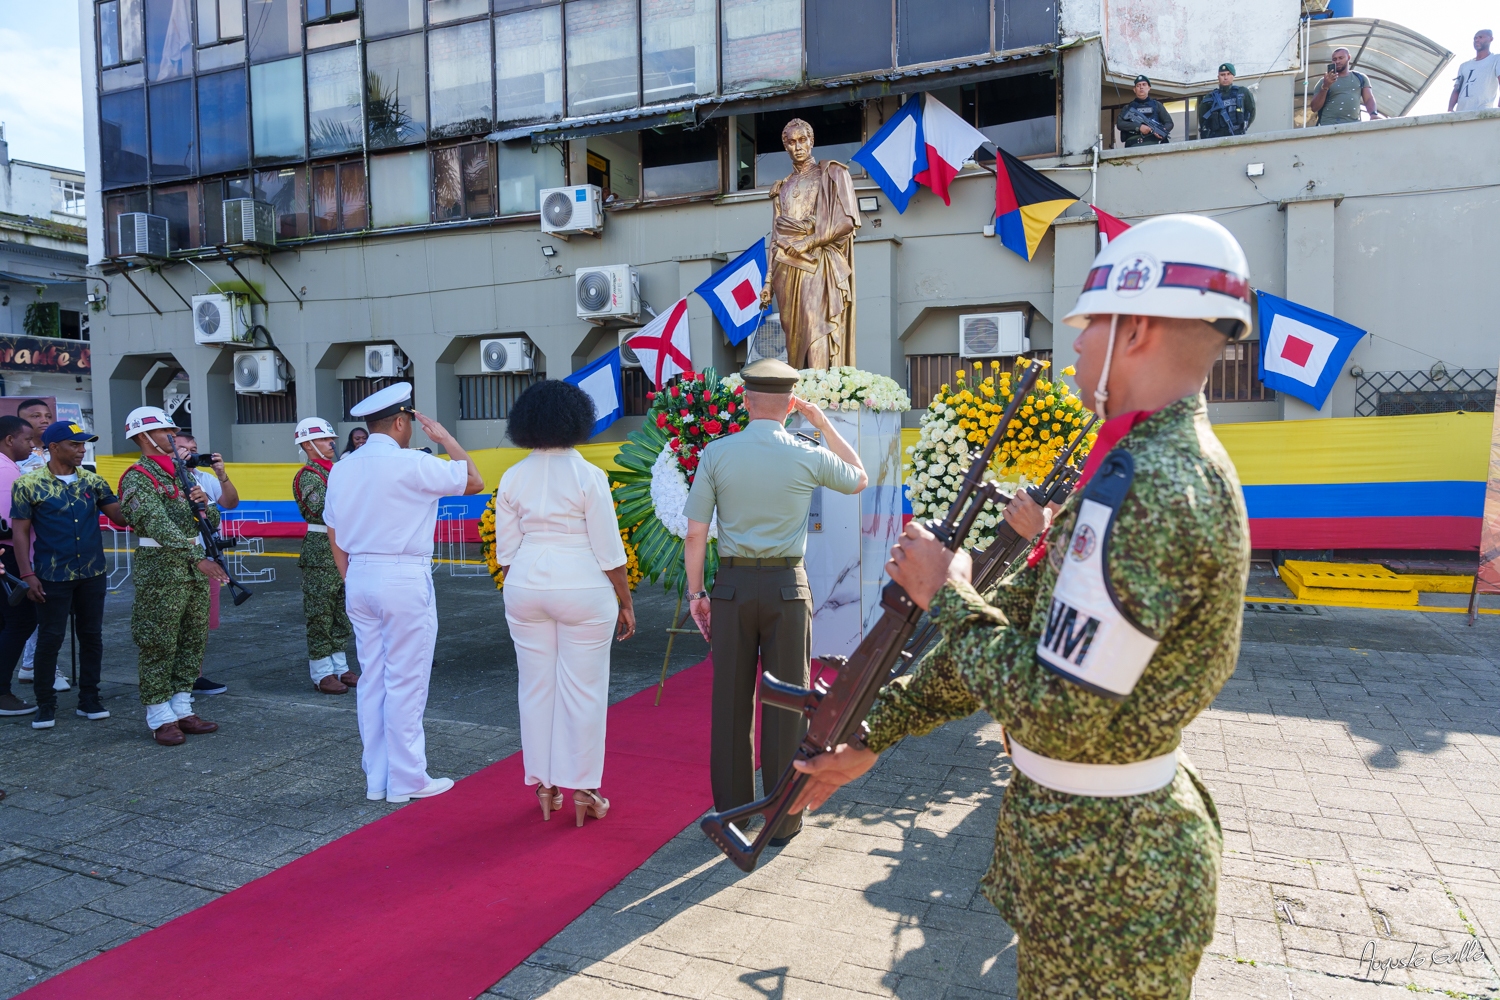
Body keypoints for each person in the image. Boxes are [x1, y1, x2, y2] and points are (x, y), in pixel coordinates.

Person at [791, 214, 1253, 999]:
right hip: (1088, 859)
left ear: (1135, 328)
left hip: (1117, 880)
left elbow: (1057, 707)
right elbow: (1018, 624)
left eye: (1089, 326)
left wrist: (946, 591)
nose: (1074, 345)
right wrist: (882, 727)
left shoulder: (1158, 490)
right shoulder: (1130, 467)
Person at [682, 358, 867, 845]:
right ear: (791, 406)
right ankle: (784, 818)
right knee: (787, 703)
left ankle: (734, 814)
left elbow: (696, 534)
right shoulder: (805, 451)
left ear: (745, 400)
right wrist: (823, 424)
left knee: (730, 702)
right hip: (788, 588)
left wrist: (697, 593)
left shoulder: (717, 454)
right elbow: (858, 477)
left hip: (734, 589)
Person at [324, 383, 484, 804]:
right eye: (409, 423)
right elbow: (474, 480)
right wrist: (446, 439)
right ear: (400, 422)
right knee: (406, 681)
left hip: (359, 575)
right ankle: (409, 779)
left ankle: (377, 778)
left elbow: (333, 530)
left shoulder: (342, 468)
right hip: (401, 577)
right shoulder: (412, 463)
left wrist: (350, 577)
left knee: (373, 679)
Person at [493, 381, 634, 826]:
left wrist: (527, 589)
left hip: (526, 586)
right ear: (578, 421)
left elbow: (505, 554)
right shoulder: (588, 475)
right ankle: (585, 791)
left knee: (535, 689)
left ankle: (545, 785)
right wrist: (626, 600)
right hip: (583, 588)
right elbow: (609, 550)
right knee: (584, 693)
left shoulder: (513, 476)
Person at [116, 406, 229, 746]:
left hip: (193, 565)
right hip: (162, 568)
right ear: (142, 437)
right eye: (166, 431)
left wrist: (204, 503)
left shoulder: (183, 473)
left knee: (193, 638)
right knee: (159, 641)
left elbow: (212, 521)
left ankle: (182, 707)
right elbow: (157, 525)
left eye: (173, 430)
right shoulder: (137, 476)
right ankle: (159, 714)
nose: (173, 436)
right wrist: (198, 558)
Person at [11, 421, 126, 730]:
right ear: (53, 447)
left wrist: (142, 498)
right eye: (75, 444)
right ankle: (45, 704)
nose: (82, 449)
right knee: (50, 639)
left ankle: (89, 698)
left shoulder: (94, 481)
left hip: (92, 572)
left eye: (83, 444)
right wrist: (26, 574)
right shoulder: (28, 484)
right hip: (51, 574)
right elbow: (20, 532)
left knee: (91, 636)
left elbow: (120, 515)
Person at [758, 118, 861, 369]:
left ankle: (820, 390)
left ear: (811, 141)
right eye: (791, 142)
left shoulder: (832, 174)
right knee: (793, 336)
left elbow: (847, 222)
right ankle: (802, 393)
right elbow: (775, 238)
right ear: (786, 147)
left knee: (816, 324)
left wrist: (808, 242)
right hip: (785, 268)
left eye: (802, 140)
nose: (798, 147)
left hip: (818, 262)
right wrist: (768, 282)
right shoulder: (781, 188)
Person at [292, 417, 357, 694]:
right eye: (322, 439)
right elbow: (321, 511)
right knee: (320, 612)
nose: (330, 443)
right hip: (321, 548)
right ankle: (321, 672)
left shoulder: (337, 471)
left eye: (330, 438)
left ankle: (339, 666)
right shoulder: (309, 476)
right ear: (307, 444)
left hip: (345, 544)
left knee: (342, 611)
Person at [173, 432, 237, 696]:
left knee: (201, 623)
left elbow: (231, 503)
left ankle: (194, 676)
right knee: (175, 622)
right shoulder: (165, 479)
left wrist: (222, 474)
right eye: (182, 449)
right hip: (179, 560)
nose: (190, 453)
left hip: (209, 559)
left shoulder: (203, 478)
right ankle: (173, 679)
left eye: (194, 449)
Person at [12, 398, 59, 692]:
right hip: (28, 541)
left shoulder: (58, 452)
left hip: (57, 541)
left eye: (47, 415)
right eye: (35, 416)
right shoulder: (14, 460)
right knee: (38, 605)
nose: (44, 419)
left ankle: (33, 664)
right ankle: (38, 666)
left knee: (53, 610)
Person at [0, 415, 38, 718]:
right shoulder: (6, 471)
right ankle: (1, 691)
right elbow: (11, 524)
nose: (32, 445)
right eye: (27, 439)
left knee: (8, 623)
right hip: (9, 556)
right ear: (10, 439)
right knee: (20, 622)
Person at [1311, 47, 1377, 126]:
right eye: (1334, 59)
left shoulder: (1360, 78)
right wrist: (1325, 87)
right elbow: (1314, 107)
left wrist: (1373, 114)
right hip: (1328, 126)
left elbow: (1368, 98)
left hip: (1353, 126)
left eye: (1341, 58)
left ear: (1348, 57)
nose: (1337, 61)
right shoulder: (1324, 81)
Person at [1197, 63, 1256, 138]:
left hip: (1237, 135)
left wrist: (1243, 127)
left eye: (1228, 74)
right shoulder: (1209, 97)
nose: (1225, 77)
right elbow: (1203, 120)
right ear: (1218, 77)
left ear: (1233, 76)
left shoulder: (1242, 92)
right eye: (1222, 75)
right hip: (1216, 138)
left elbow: (1251, 112)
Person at [1449, 29, 1499, 112]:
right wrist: (1450, 109)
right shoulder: (1464, 66)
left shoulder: (1496, 59)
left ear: (1491, 39)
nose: (1477, 40)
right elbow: (1456, 89)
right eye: (1475, 38)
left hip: (1482, 112)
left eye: (1480, 37)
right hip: (1460, 113)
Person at [1115, 75, 1172, 148]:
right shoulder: (1128, 108)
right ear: (1134, 89)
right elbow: (1120, 124)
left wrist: (1161, 130)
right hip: (1132, 146)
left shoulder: (1157, 105)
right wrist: (1139, 127)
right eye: (1138, 85)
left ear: (1149, 88)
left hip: (1152, 145)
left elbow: (1169, 123)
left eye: (1144, 84)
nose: (1141, 87)